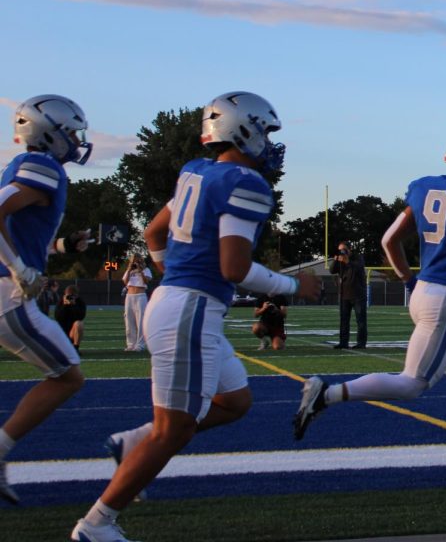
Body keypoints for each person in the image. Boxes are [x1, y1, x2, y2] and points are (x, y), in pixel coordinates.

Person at [71, 91, 318, 542]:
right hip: (189, 309)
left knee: (235, 401)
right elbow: (234, 268)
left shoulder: (196, 171)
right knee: (175, 431)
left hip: (180, 303)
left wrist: (169, 268)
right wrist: (293, 285)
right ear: (241, 131)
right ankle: (96, 524)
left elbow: (153, 231)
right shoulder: (246, 183)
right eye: (264, 130)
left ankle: (133, 442)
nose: (270, 141)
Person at [293, 124, 446, 480]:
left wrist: (407, 279)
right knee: (413, 383)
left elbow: (388, 241)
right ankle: (328, 393)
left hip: (424, 291)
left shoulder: (423, 186)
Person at [0, 95, 94, 505]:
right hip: (6, 294)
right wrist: (19, 268)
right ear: (50, 134)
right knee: (67, 376)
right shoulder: (43, 166)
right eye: (71, 132)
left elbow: (22, 232)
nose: (76, 140)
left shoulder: (28, 167)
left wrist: (61, 246)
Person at [330, 241, 367, 349]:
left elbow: (357, 268)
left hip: (358, 295)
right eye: (340, 250)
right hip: (344, 295)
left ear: (349, 249)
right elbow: (332, 270)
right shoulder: (340, 260)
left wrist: (347, 261)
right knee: (344, 320)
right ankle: (343, 342)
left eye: (344, 249)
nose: (342, 252)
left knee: (360, 320)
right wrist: (335, 260)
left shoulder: (358, 258)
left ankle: (361, 343)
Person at [122, 256, 153, 352]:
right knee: (129, 320)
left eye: (136, 260)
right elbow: (125, 281)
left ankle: (140, 345)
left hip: (140, 295)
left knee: (140, 321)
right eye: (133, 260)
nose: (135, 262)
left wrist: (140, 271)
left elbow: (146, 281)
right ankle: (131, 344)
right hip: (129, 296)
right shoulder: (129, 270)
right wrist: (129, 269)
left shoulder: (146, 269)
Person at [55, 285, 88, 350]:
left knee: (79, 324)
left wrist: (73, 305)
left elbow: (81, 317)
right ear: (65, 294)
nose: (70, 297)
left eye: (72, 296)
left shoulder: (80, 302)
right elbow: (58, 318)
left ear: (76, 296)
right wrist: (65, 306)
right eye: (68, 295)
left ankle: (75, 348)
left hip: (73, 332)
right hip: (62, 333)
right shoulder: (61, 302)